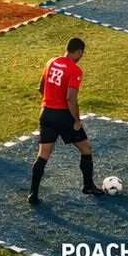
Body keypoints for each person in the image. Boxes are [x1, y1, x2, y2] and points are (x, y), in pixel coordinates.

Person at [30, 37, 103, 204]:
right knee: (86, 148)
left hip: (46, 112)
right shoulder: (75, 70)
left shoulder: (51, 62)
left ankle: (33, 194)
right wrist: (76, 119)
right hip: (63, 115)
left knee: (43, 155)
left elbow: (41, 88)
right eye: (81, 54)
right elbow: (70, 97)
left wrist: (51, 101)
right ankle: (88, 186)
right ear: (78, 52)